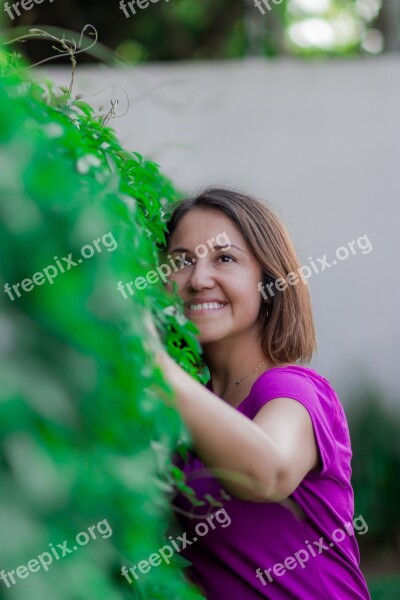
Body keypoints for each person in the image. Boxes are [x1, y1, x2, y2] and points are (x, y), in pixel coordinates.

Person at [150, 187, 371, 599]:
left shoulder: (291, 390)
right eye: (181, 261)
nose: (198, 279)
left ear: (269, 280)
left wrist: (150, 358)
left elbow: (265, 473)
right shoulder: (186, 401)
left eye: (225, 259)